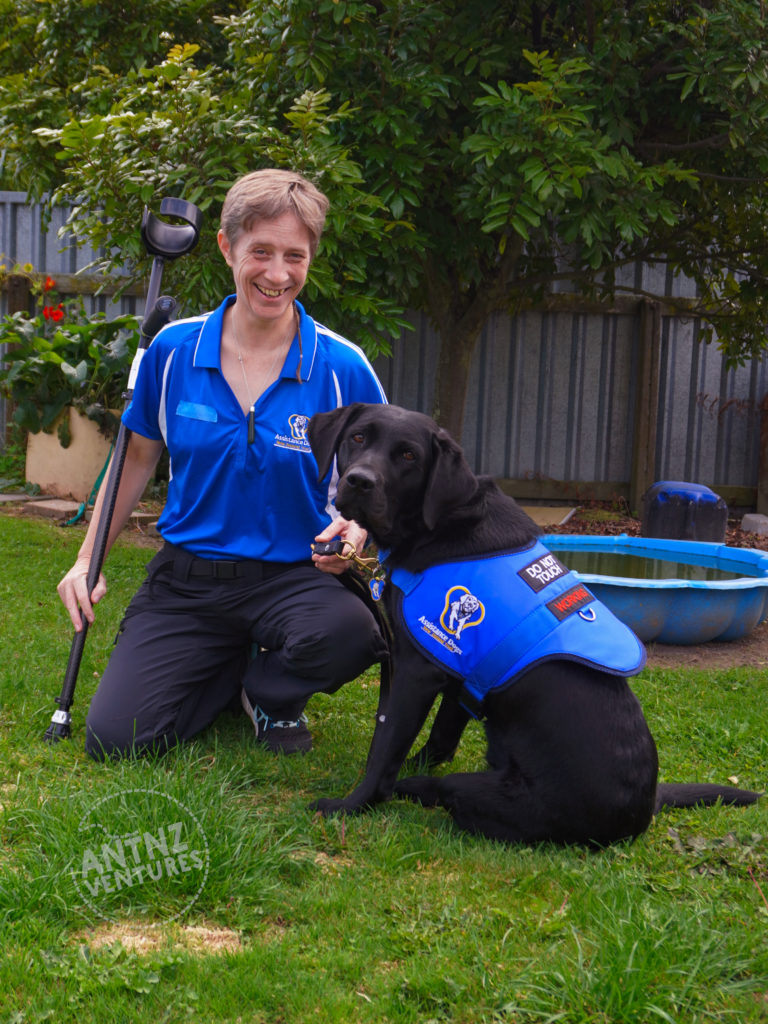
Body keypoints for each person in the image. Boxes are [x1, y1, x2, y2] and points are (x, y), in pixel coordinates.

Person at [57, 168, 389, 759]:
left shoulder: (343, 365)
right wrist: (89, 560)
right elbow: (135, 458)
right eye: (260, 251)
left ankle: (269, 690)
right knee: (120, 741)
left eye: (295, 255)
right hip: (189, 581)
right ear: (226, 247)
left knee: (351, 634)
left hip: (296, 579)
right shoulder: (174, 349)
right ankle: (232, 667)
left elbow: (384, 481)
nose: (278, 274)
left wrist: (356, 530)